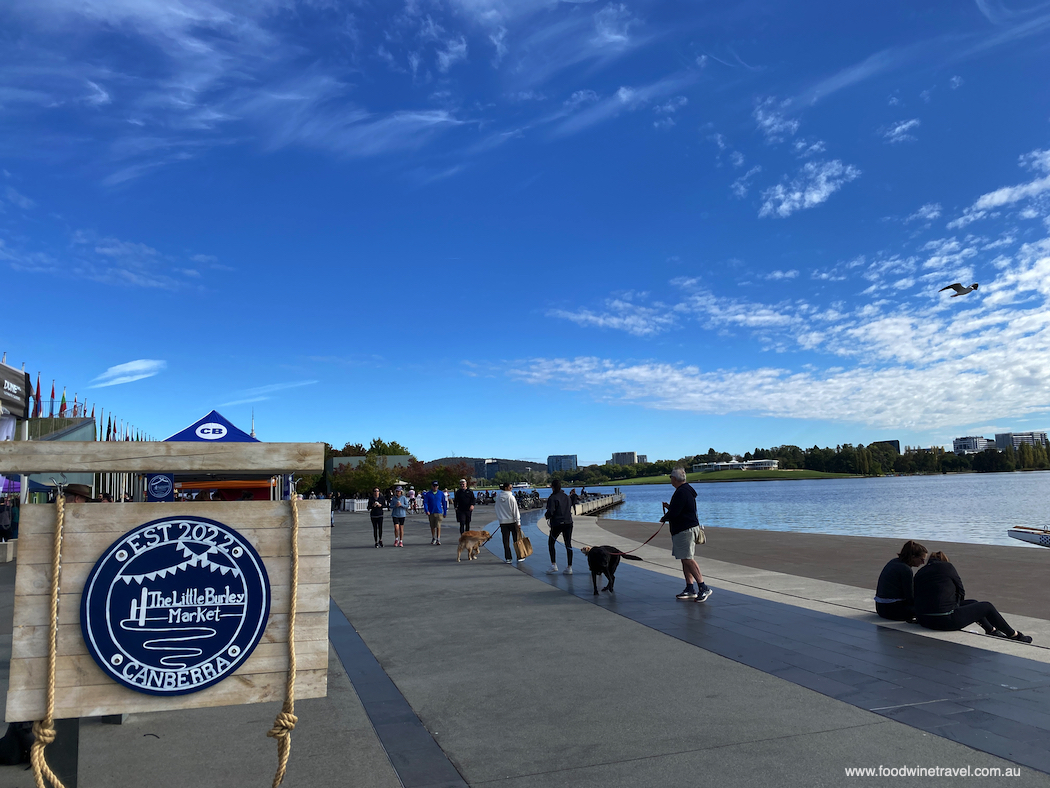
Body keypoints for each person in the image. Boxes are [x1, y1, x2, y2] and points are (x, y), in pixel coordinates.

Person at [914, 551, 1032, 643]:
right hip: (944, 621)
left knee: (974, 603)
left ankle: (991, 630)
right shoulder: (947, 567)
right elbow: (961, 591)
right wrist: (955, 604)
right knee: (986, 606)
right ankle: (1014, 635)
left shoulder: (920, 572)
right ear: (945, 560)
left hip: (924, 620)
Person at [660, 468, 711, 602]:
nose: (670, 479)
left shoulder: (681, 492)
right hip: (685, 529)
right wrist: (670, 508)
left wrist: (665, 517)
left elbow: (676, 513)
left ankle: (702, 586)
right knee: (684, 558)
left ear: (675, 479)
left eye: (671, 477)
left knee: (688, 558)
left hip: (685, 530)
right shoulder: (686, 490)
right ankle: (690, 587)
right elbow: (681, 509)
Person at [874, 540, 927, 621]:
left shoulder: (893, 562)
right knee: (927, 609)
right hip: (892, 610)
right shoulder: (905, 569)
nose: (923, 563)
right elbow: (910, 597)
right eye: (921, 559)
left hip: (880, 607)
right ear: (913, 557)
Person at [544, 479, 574, 575]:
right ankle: (569, 567)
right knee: (568, 544)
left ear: (552, 487)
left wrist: (547, 516)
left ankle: (554, 565)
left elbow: (551, 511)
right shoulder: (566, 497)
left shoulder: (552, 498)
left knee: (551, 543)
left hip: (557, 523)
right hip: (568, 522)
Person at [495, 481, 522, 564]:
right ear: (506, 488)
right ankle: (519, 555)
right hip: (512, 521)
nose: (511, 489)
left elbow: (496, 509)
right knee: (516, 540)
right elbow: (515, 510)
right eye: (510, 487)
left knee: (505, 540)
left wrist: (500, 518)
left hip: (503, 522)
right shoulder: (511, 497)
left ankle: (508, 557)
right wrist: (518, 521)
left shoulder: (498, 497)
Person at [423, 480, 447, 545]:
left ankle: (438, 538)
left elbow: (444, 503)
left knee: (438, 525)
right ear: (432, 486)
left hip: (439, 511)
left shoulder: (441, 493)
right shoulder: (428, 494)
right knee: (432, 526)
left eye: (436, 486)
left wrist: (445, 512)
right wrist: (426, 510)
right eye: (434, 486)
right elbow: (425, 502)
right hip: (431, 512)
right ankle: (433, 537)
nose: (435, 487)